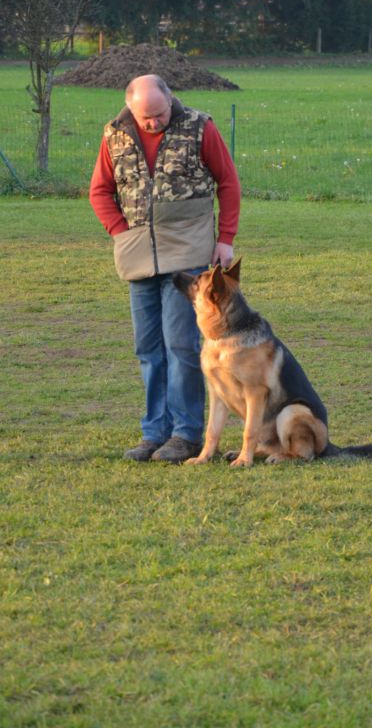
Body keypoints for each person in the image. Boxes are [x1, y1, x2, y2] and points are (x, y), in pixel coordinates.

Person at [89, 73, 241, 461]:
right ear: (131, 110)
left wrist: (225, 238)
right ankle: (153, 433)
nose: (155, 122)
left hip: (187, 254)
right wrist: (120, 231)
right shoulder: (114, 135)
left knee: (180, 345)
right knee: (148, 348)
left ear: (171, 100)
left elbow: (228, 182)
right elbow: (100, 191)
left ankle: (185, 434)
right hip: (137, 254)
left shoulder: (200, 127)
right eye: (146, 118)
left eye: (160, 113)